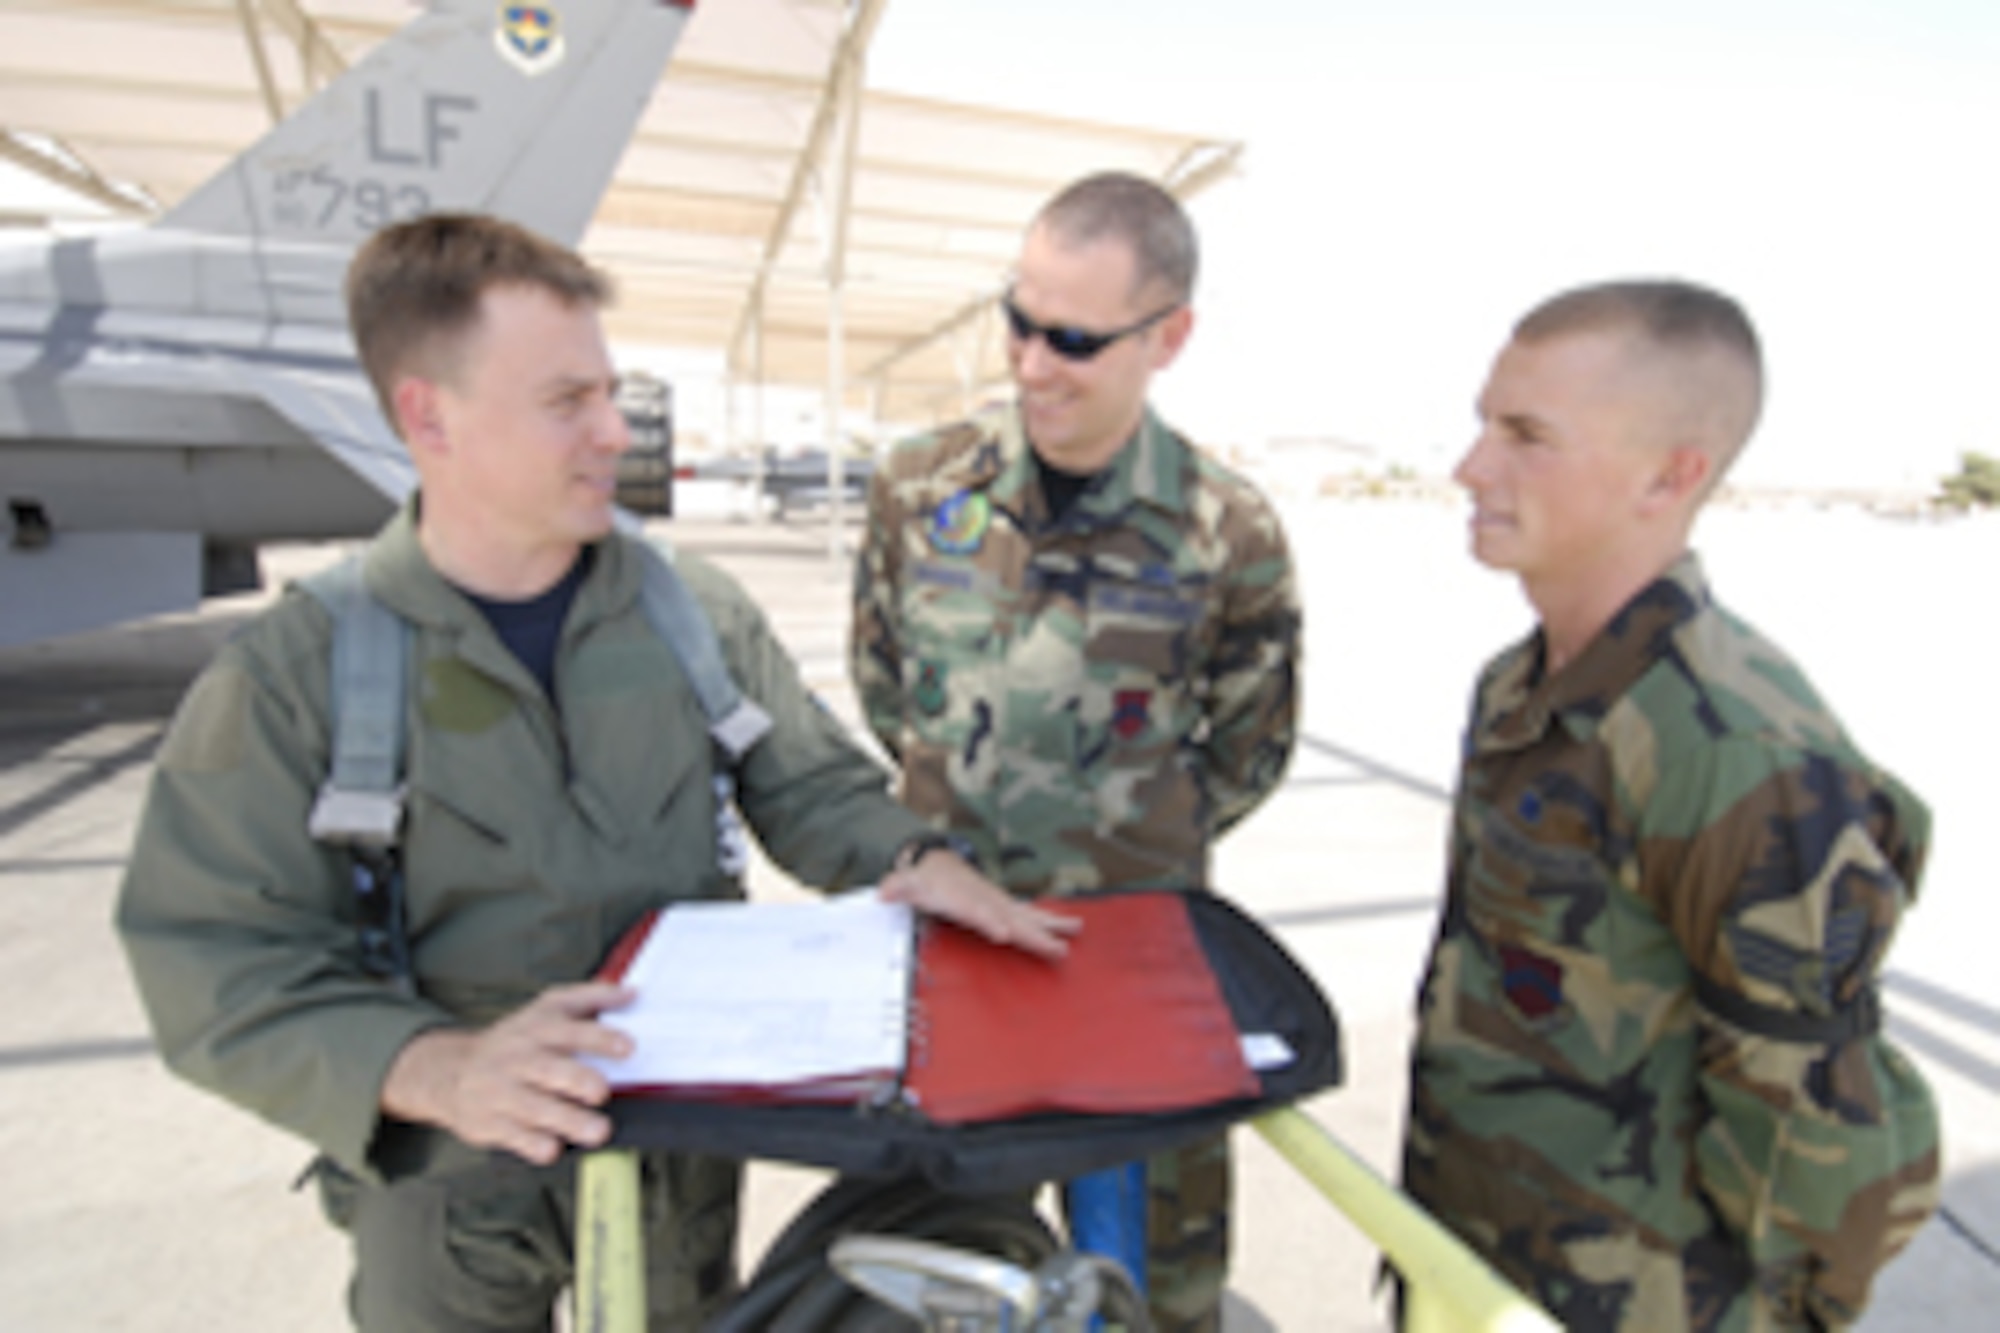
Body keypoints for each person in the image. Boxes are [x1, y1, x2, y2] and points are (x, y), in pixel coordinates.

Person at [114, 211, 1076, 1333]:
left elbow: (807, 783)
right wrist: (432, 1065)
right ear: (429, 415)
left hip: (678, 1153)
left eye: (610, 393)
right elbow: (215, 959)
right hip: (454, 1174)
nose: (616, 432)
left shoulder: (686, 612)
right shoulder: (297, 673)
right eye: (568, 402)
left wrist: (910, 856)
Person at [1401, 279, 1940, 1331]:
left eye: (1524, 435)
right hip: (1471, 1266)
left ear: (1670, 474)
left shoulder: (1733, 752)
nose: (1470, 466)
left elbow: (1812, 1147)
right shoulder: (1521, 689)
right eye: (1480, 425)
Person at [850, 171, 1301, 1333]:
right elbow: (885, 680)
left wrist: (1111, 856)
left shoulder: (1225, 529)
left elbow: (1248, 750)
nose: (1030, 362)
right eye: (1017, 318)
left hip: (1131, 985)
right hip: (948, 967)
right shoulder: (918, 488)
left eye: (1073, 339)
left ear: (1169, 338)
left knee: (1146, 1296)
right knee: (926, 1284)